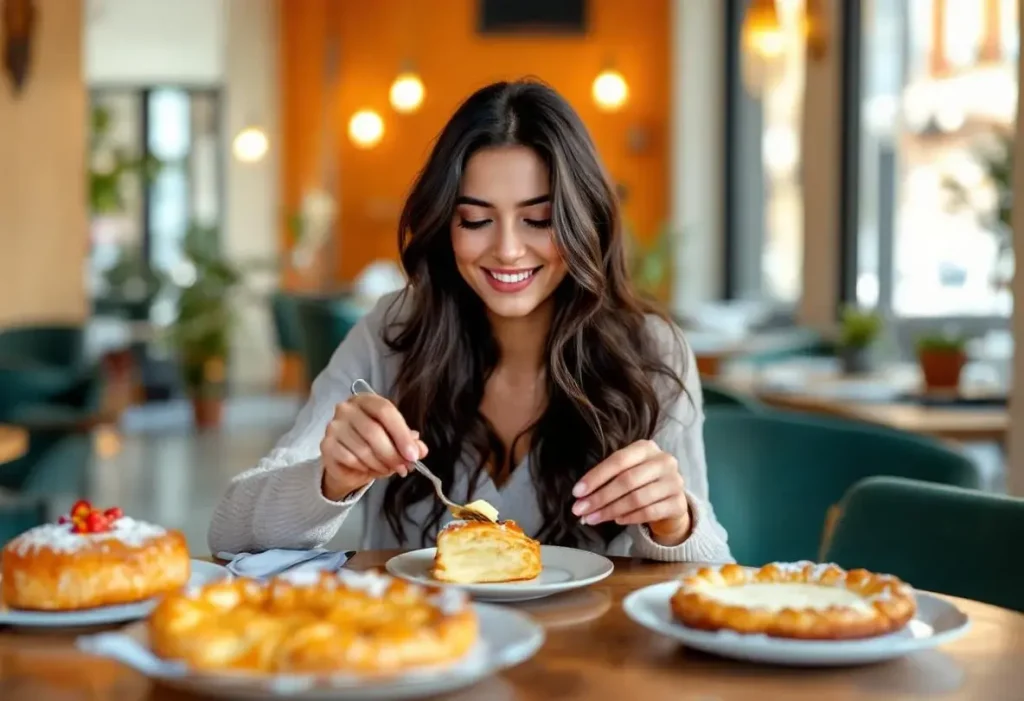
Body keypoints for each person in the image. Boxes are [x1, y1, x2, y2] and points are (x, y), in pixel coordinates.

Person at [208, 79, 732, 563]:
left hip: (590, 658)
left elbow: (714, 572)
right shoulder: (391, 334)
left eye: (539, 220)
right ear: (445, 223)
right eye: (476, 220)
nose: (506, 250)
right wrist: (330, 479)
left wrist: (675, 522)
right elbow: (229, 533)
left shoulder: (654, 350)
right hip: (420, 652)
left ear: (583, 219)